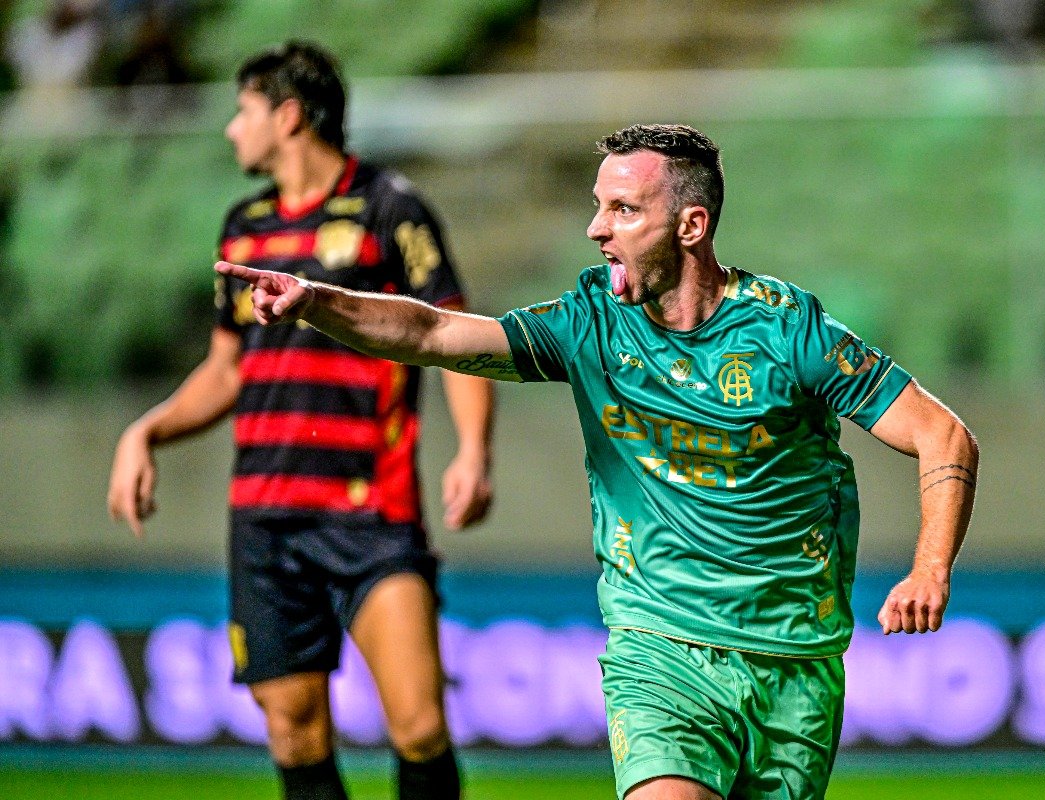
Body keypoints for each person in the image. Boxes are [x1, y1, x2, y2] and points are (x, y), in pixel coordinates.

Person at [218, 123, 979, 800]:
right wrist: (317, 300)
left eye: (622, 211)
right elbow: (431, 336)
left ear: (691, 225)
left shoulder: (791, 333)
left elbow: (944, 436)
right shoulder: (589, 324)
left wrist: (930, 568)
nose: (596, 230)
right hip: (657, 651)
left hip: (794, 661)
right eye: (597, 205)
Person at [108, 41, 493, 800]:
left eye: (242, 110)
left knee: (417, 725)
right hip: (264, 517)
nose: (230, 129)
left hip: (369, 510)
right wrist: (144, 430)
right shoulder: (242, 225)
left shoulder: (391, 208)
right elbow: (226, 370)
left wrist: (474, 450)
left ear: (287, 115)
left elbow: (451, 334)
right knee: (293, 728)